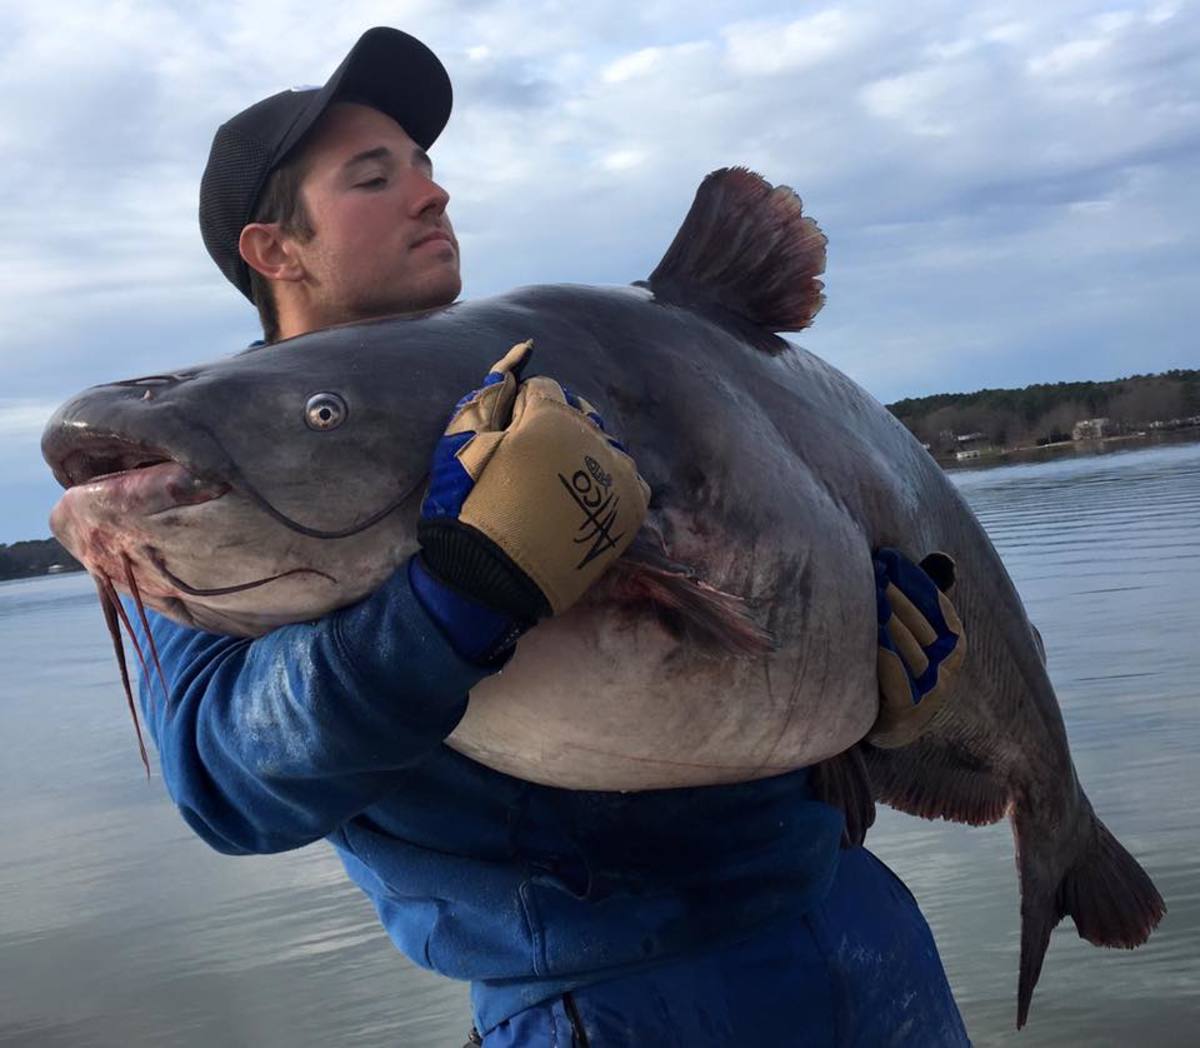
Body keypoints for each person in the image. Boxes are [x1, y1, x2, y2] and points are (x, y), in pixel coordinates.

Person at [127, 27, 971, 1047]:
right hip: (602, 996)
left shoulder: (564, 359)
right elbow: (225, 780)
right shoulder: (208, 494)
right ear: (275, 249)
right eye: (373, 177)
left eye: (428, 168)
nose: (430, 194)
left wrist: (871, 689)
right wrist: (455, 600)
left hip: (851, 916)